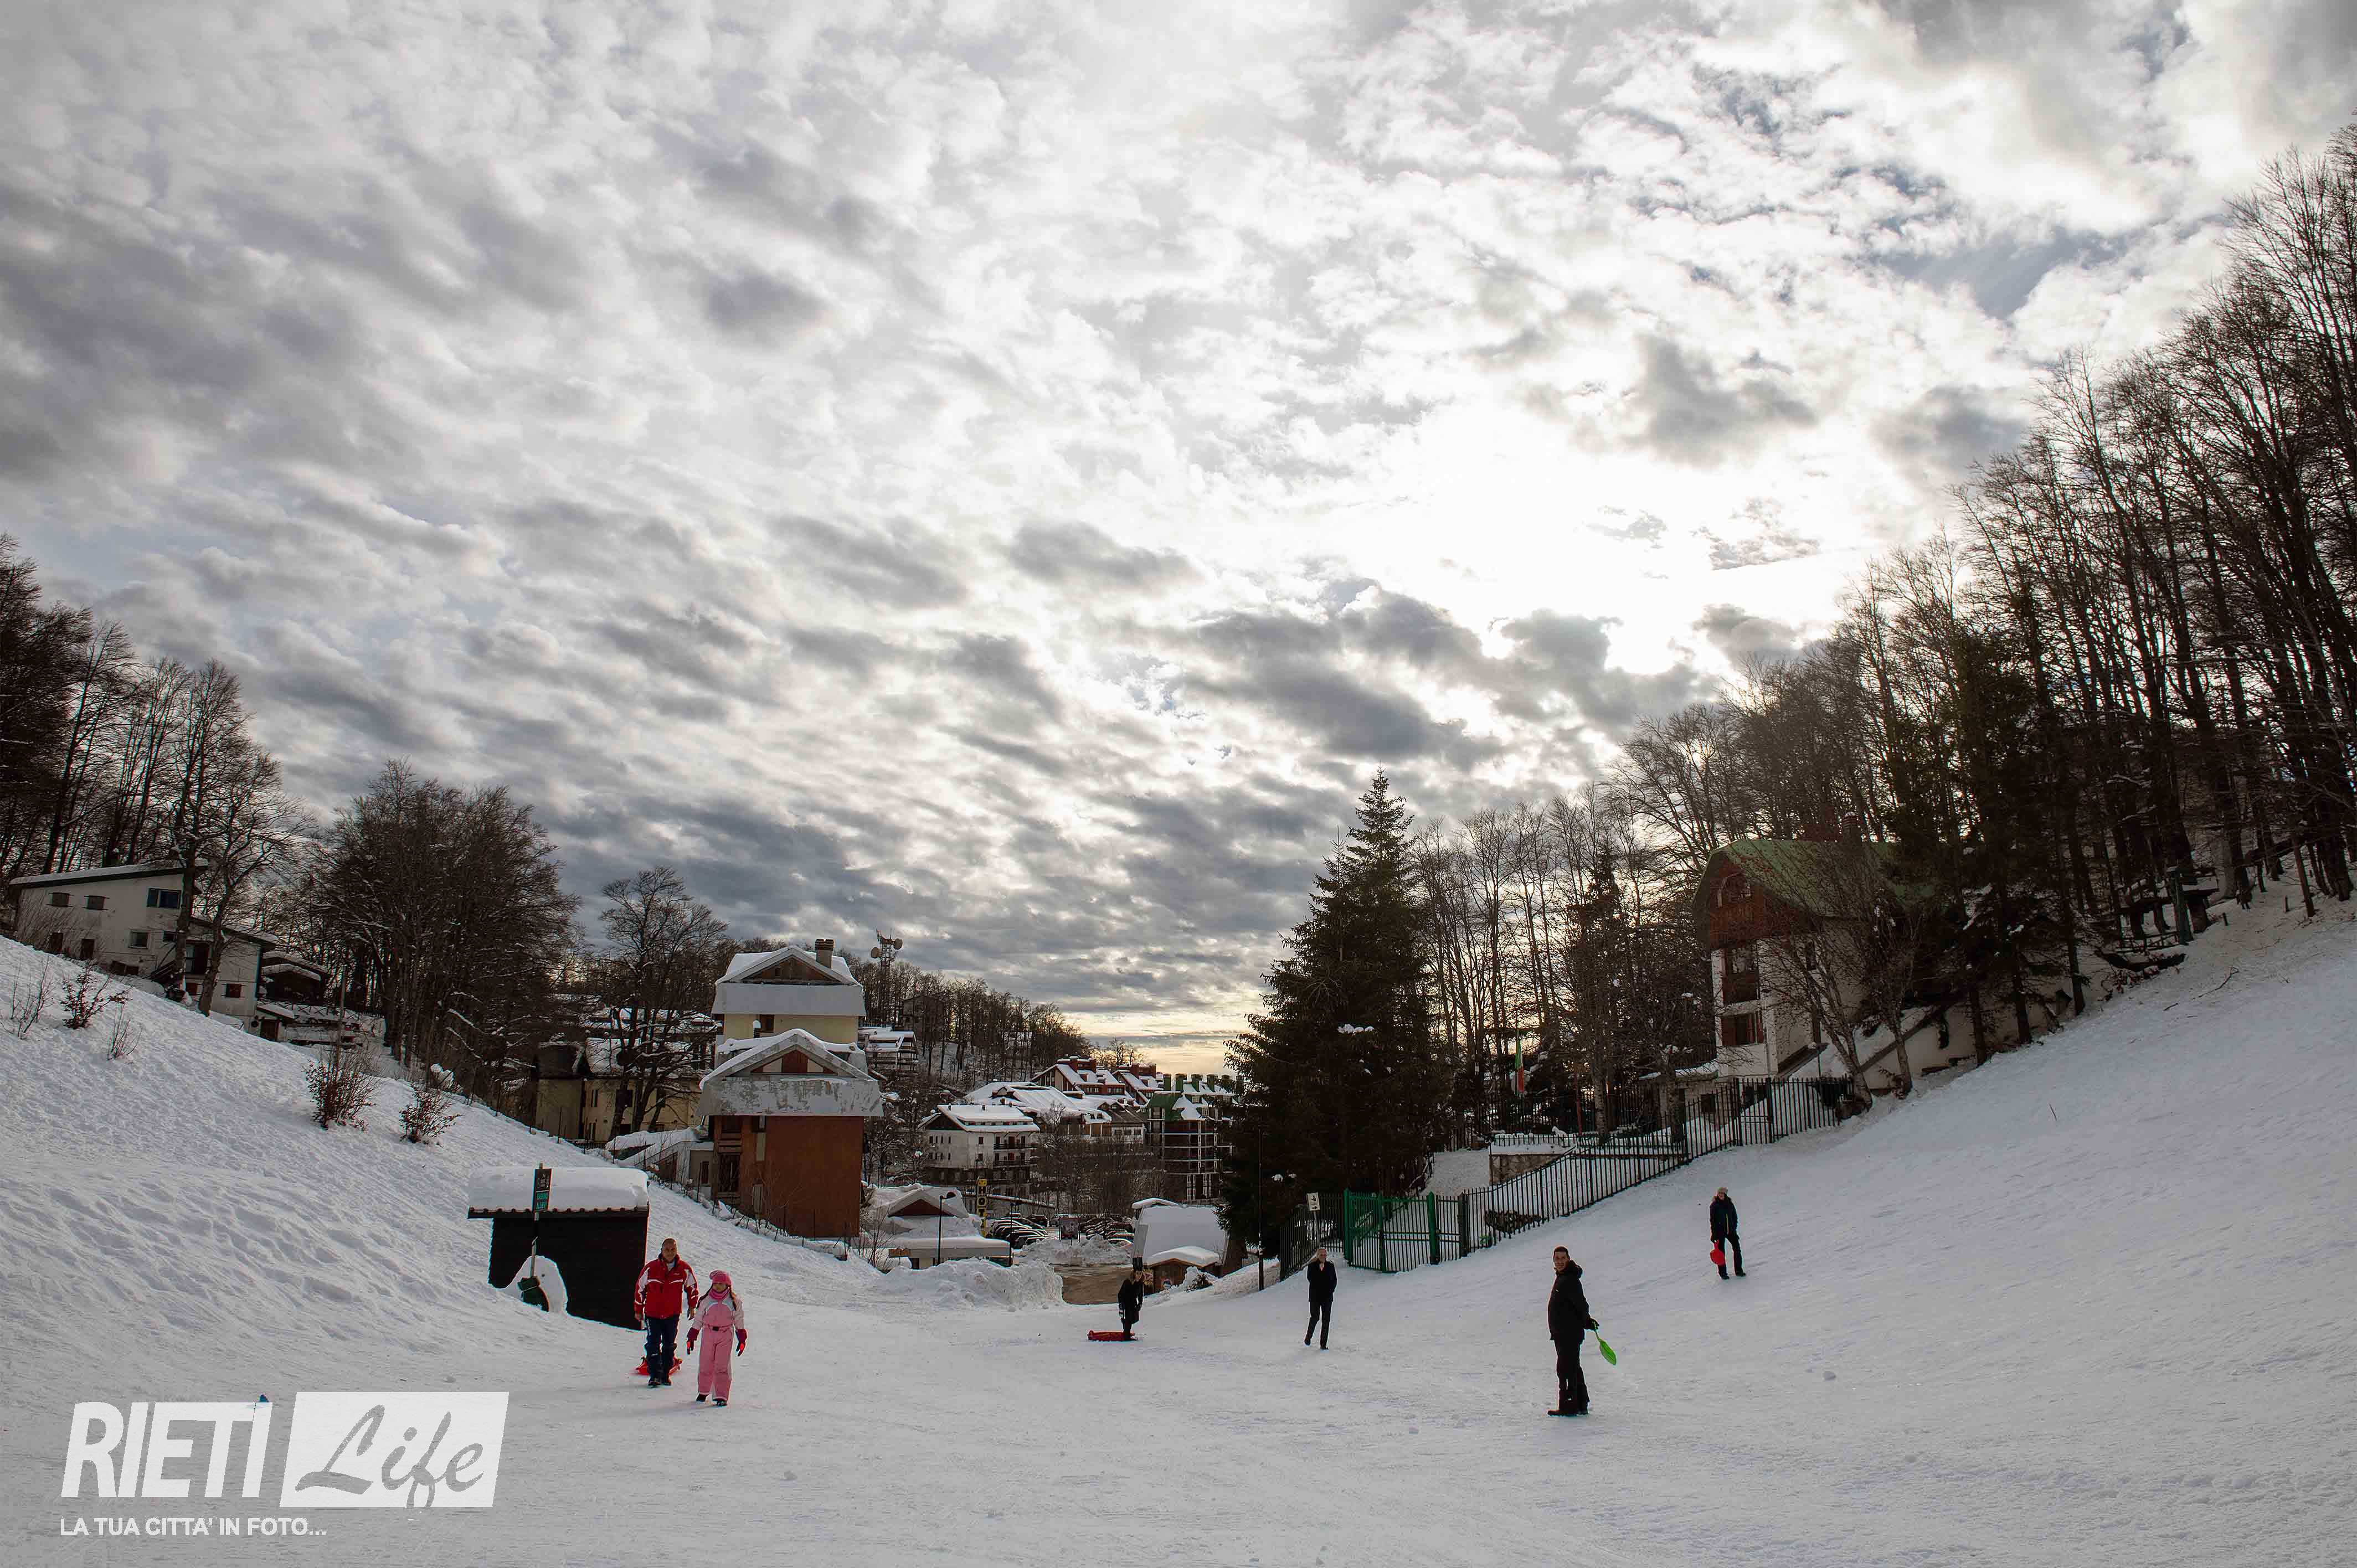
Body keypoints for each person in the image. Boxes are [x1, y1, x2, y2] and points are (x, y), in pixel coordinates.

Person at [634, 1237, 699, 1388]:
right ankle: (655, 1376)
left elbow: (692, 1288)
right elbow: (639, 1289)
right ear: (662, 1251)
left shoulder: (684, 1269)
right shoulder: (651, 1268)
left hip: (672, 1314)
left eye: (673, 1250)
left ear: (676, 1251)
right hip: (652, 1314)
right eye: (667, 1250)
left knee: (669, 1344)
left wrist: (692, 1306)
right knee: (653, 1343)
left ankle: (665, 1375)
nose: (670, 1253)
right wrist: (638, 1309)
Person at [685, 1269, 748, 1406]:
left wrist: (742, 1337)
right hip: (708, 1333)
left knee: (722, 1365)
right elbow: (698, 1319)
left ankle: (721, 1395)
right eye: (715, 1284)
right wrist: (692, 1336)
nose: (718, 1286)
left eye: (721, 1284)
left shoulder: (734, 1301)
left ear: (728, 1285)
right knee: (705, 1363)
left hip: (725, 1335)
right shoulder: (706, 1300)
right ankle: (703, 1391)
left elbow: (739, 1319)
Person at [1548, 1246, 1597, 1416]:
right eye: (1557, 1259)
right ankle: (1581, 1403)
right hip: (1564, 1333)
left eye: (1563, 1258)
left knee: (1565, 1369)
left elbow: (1581, 1304)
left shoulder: (1569, 1279)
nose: (1560, 1262)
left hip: (1568, 1333)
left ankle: (1569, 1406)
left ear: (1568, 1259)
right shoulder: (1564, 1277)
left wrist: (1587, 1321)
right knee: (1573, 1366)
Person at [1303, 1246, 1337, 1349]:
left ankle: (1323, 1345)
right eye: (1321, 1255)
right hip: (1315, 1297)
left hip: (1327, 1298)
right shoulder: (1312, 1266)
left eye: (1325, 1255)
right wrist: (1321, 1271)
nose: (1323, 1257)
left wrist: (1331, 1291)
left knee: (1326, 1320)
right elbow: (1311, 1279)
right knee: (1315, 1317)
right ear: (1318, 1256)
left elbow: (1334, 1281)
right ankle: (1308, 1337)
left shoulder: (1330, 1266)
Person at [1710, 1187, 1744, 1279]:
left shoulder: (1730, 1204)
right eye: (1719, 1193)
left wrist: (1734, 1228)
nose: (1721, 1195)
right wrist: (1714, 1234)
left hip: (1731, 1232)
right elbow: (1713, 1221)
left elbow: (1734, 1217)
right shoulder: (1714, 1205)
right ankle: (1723, 1274)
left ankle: (1739, 1271)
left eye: (1722, 1193)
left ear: (1725, 1195)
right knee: (1721, 1253)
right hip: (1720, 1233)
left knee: (1737, 1249)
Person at [1116, 1260, 1149, 1339]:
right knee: (1129, 1319)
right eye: (1137, 1273)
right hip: (1126, 1302)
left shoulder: (1140, 1283)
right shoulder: (1127, 1282)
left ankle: (1124, 1322)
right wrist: (1121, 1305)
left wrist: (1140, 1304)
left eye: (1140, 1274)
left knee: (1135, 1319)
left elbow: (1141, 1295)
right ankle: (1126, 1335)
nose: (1139, 1275)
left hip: (1134, 1302)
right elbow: (1120, 1294)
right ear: (1134, 1273)